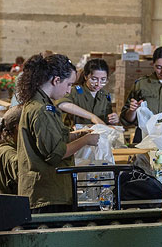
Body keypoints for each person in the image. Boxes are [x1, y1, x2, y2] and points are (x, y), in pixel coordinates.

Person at [15, 52, 99, 213]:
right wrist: (86, 140)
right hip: (47, 195)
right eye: (69, 84)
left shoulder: (41, 104)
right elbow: (55, 153)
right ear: (56, 80)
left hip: (47, 192)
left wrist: (76, 135)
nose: (69, 91)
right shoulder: (41, 110)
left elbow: (52, 139)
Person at [56, 58, 119, 128]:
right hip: (76, 136)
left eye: (103, 80)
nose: (98, 84)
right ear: (86, 77)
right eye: (94, 79)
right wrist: (92, 117)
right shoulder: (75, 91)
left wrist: (113, 119)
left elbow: (106, 120)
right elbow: (62, 104)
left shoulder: (105, 95)